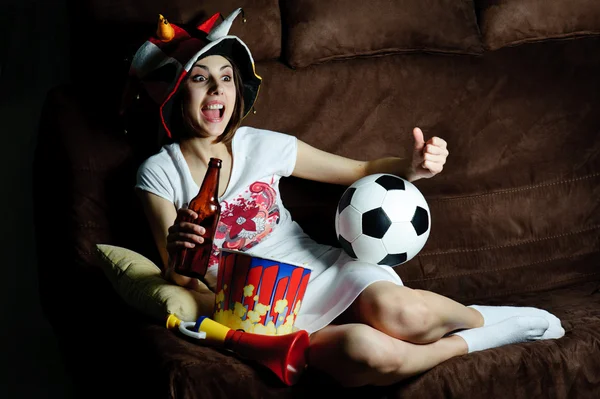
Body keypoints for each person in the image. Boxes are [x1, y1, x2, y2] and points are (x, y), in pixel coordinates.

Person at [130, 9, 565, 388]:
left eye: (226, 78)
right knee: (369, 354)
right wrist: (180, 249)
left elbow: (358, 171)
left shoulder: (259, 145)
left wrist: (412, 167)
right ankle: (473, 341)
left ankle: (484, 317)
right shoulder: (159, 174)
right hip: (260, 312)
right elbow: (181, 280)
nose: (217, 91)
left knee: (402, 315)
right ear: (174, 92)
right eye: (201, 79)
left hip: (320, 270)